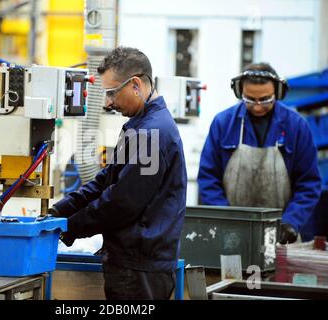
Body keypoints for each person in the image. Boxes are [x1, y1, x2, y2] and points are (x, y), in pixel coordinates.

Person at [49, 47, 187, 300]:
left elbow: (122, 202)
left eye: (112, 93)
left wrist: (70, 226)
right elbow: (107, 179)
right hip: (134, 262)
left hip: (139, 267)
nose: (108, 102)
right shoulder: (140, 126)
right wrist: (61, 210)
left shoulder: (151, 133)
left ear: (135, 84)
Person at [198, 62, 322, 244]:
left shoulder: (296, 126)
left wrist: (290, 223)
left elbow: (309, 183)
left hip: (282, 236)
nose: (257, 106)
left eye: (265, 100)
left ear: (278, 93)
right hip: (231, 234)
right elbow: (208, 179)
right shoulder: (223, 124)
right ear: (240, 92)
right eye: (249, 99)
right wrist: (227, 218)